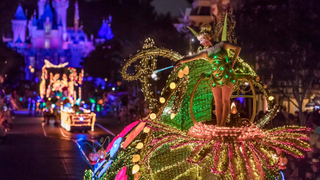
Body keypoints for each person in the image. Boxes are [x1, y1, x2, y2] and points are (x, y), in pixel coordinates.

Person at [175, 24, 241, 126]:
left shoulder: (222, 45)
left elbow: (238, 48)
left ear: (207, 38)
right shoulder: (205, 52)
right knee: (217, 102)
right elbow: (192, 57)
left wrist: (232, 62)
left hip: (226, 75)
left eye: (201, 40)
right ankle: (219, 125)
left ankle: (222, 125)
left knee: (225, 101)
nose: (201, 43)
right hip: (215, 77)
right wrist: (180, 61)